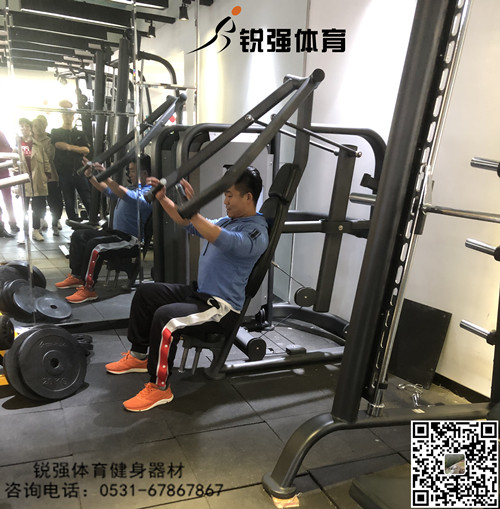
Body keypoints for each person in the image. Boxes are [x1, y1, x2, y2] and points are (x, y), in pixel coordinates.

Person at [105, 166, 269, 412]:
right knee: (146, 294)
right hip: (200, 294)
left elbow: (225, 240)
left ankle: (160, 387)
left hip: (220, 308)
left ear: (248, 197)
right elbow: (188, 223)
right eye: (225, 195)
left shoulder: (256, 232)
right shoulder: (229, 221)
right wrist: (163, 199)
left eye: (230, 196)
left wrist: (193, 211)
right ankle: (139, 355)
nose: (225, 201)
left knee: (166, 318)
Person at [55, 154, 153, 304]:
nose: (130, 174)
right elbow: (108, 190)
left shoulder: (148, 193)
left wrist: (106, 175)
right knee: (79, 235)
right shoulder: (132, 188)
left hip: (130, 240)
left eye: (133, 170)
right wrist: (90, 177)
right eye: (130, 170)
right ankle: (77, 276)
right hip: (115, 234)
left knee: (96, 246)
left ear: (144, 173)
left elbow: (125, 194)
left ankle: (89, 289)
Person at [50, 101, 91, 222]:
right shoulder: (56, 132)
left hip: (79, 171)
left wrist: (69, 147)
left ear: (73, 116)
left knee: (87, 198)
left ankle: (93, 220)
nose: (68, 117)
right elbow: (58, 145)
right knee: (69, 200)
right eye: (65, 114)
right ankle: (73, 223)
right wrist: (77, 149)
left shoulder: (80, 133)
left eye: (70, 115)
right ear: (62, 115)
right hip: (64, 172)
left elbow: (86, 150)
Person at [18, 117, 50, 242]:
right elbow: (15, 164)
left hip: (38, 179)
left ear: (31, 128)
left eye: (27, 126)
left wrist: (47, 176)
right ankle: (24, 231)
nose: (24, 129)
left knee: (38, 207)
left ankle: (36, 230)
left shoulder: (38, 145)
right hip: (23, 180)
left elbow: (46, 161)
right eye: (22, 126)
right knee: (24, 207)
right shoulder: (17, 144)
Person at [36, 114, 64, 236]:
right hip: (36, 177)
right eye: (36, 126)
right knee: (39, 201)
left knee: (55, 201)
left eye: (41, 125)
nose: (38, 128)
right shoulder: (29, 141)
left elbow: (49, 157)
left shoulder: (49, 140)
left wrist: (37, 159)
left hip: (50, 175)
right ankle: (41, 220)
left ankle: (55, 221)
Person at [0, 131, 18, 236]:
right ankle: (7, 224)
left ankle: (12, 222)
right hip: (3, 168)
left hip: (3, 169)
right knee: (7, 199)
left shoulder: (1, 134)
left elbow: (8, 150)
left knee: (8, 198)